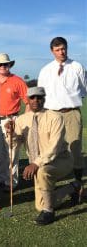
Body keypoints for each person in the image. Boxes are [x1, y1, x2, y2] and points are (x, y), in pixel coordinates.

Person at [5, 87, 80, 225]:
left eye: (39, 97)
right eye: (32, 97)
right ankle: (73, 187)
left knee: (43, 171)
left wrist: (35, 163)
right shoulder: (21, 119)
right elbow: (14, 144)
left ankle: (49, 212)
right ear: (27, 100)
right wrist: (11, 133)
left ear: (44, 99)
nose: (36, 100)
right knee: (39, 205)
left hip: (61, 160)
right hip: (39, 164)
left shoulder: (55, 117)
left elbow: (54, 147)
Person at [37, 37, 86, 191]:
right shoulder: (45, 70)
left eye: (63, 48)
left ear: (67, 48)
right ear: (52, 51)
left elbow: (83, 90)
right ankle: (50, 182)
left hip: (71, 113)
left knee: (75, 147)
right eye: (57, 50)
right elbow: (41, 93)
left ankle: (78, 183)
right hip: (52, 114)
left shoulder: (77, 66)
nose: (61, 52)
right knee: (52, 148)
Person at [0, 53, 29, 191]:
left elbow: (28, 102)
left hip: (11, 119)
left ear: (9, 65)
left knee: (12, 153)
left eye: (5, 64)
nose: (3, 67)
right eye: (0, 64)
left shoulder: (17, 81)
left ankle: (12, 181)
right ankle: (1, 179)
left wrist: (22, 121)